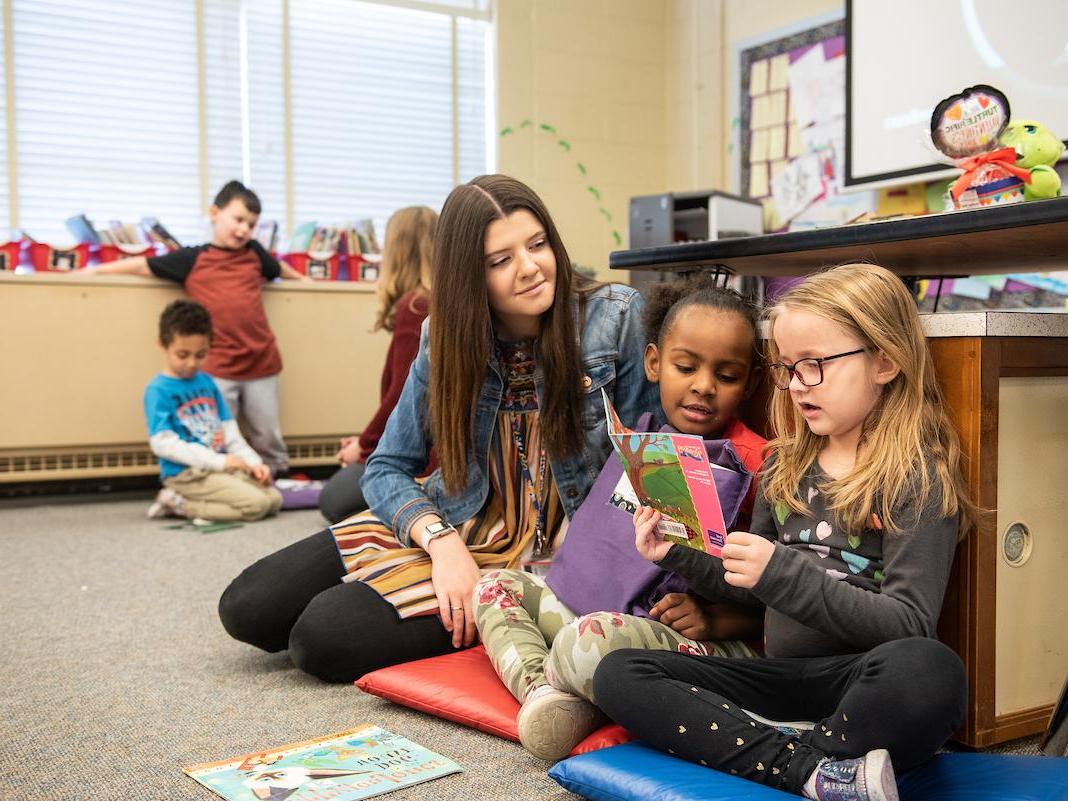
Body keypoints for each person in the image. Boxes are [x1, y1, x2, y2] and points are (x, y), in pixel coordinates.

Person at [217, 174, 657, 683]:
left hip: (551, 552)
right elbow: (385, 467)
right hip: (457, 520)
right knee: (248, 606)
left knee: (320, 640)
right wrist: (442, 544)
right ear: (468, 275)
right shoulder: (444, 335)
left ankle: (481, 609)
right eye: (501, 260)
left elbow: (646, 468)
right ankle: (427, 575)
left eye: (537, 245)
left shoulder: (616, 317)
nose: (531, 267)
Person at [593, 263, 974, 801]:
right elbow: (750, 581)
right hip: (779, 679)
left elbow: (909, 623)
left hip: (860, 681)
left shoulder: (917, 476)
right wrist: (678, 553)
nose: (797, 385)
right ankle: (815, 771)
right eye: (789, 368)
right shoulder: (786, 464)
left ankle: (781, 755)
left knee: (930, 669)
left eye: (814, 366)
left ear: (885, 361)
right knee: (620, 673)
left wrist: (781, 569)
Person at [472, 277, 768, 761]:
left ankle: (582, 693)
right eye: (685, 366)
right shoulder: (641, 436)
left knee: (587, 643)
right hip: (590, 613)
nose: (703, 386)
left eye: (727, 375)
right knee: (495, 586)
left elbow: (783, 593)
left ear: (751, 381)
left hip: (669, 641)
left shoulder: (757, 464)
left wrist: (719, 620)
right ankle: (547, 695)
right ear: (654, 362)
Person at [91, 180, 306, 476]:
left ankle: (276, 476)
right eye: (239, 219)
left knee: (266, 431)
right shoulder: (192, 258)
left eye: (251, 224)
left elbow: (277, 268)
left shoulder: (255, 253)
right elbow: (143, 265)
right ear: (215, 213)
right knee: (217, 434)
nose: (244, 229)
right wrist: (92, 271)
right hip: (217, 366)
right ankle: (227, 480)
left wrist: (304, 281)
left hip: (261, 361)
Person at [319, 205, 438, 524]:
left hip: (427, 463)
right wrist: (366, 440)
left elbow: (403, 396)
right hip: (434, 450)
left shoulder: (415, 306)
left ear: (397, 253)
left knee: (334, 498)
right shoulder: (433, 302)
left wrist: (364, 446)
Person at [144, 300, 282, 522]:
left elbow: (229, 432)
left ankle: (189, 501)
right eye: (182, 354)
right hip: (187, 474)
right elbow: (163, 443)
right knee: (257, 505)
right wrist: (219, 462)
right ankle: (177, 503)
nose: (191, 363)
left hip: (216, 468)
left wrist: (255, 464)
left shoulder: (207, 382)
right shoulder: (157, 389)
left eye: (200, 355)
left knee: (274, 499)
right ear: (163, 344)